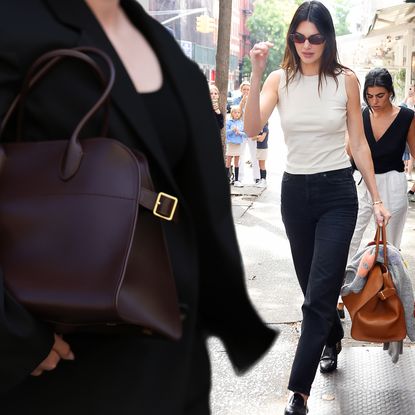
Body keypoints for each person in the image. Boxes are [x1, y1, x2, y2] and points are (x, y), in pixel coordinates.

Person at [0, 1, 278, 414]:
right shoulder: (15, 23)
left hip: (173, 356)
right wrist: (13, 335)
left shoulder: (158, 40)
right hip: (66, 366)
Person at [244, 2, 390, 414]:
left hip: (338, 194)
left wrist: (376, 198)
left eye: (315, 38)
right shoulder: (280, 79)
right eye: (299, 37)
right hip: (295, 194)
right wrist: (256, 73)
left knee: (316, 296)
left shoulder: (345, 81)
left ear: (328, 40)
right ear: (293, 39)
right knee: (313, 287)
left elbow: (358, 143)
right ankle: (330, 337)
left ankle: (299, 392)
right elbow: (253, 129)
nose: (306, 45)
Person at [347, 68, 415, 261]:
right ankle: (345, 284)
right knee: (350, 236)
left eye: (380, 96)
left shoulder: (406, 117)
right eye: (369, 96)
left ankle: (386, 287)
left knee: (390, 243)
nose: (374, 101)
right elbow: (349, 153)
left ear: (390, 92)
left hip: (392, 181)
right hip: (361, 182)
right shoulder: (360, 115)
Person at [234, 81, 260, 184]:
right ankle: (239, 178)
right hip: (240, 131)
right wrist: (242, 102)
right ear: (241, 90)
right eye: (244, 89)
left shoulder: (254, 101)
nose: (246, 91)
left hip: (252, 131)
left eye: (248, 89)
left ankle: (256, 177)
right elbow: (235, 114)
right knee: (241, 154)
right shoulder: (237, 100)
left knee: (254, 155)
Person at [226, 106, 246, 187]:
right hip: (231, 144)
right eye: (235, 112)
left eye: (238, 112)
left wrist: (239, 133)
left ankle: (237, 180)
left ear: (240, 114)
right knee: (228, 162)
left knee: (236, 163)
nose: (237, 114)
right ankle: (226, 180)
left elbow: (246, 134)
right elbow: (226, 133)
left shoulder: (241, 123)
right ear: (232, 113)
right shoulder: (229, 122)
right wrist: (232, 130)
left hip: (238, 144)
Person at [251, 122, 269, 188]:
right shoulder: (258, 128)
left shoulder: (265, 128)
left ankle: (264, 181)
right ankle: (261, 180)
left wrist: (257, 137)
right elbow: (252, 138)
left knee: (262, 165)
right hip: (258, 148)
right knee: (260, 165)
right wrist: (257, 136)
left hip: (263, 148)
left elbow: (261, 139)